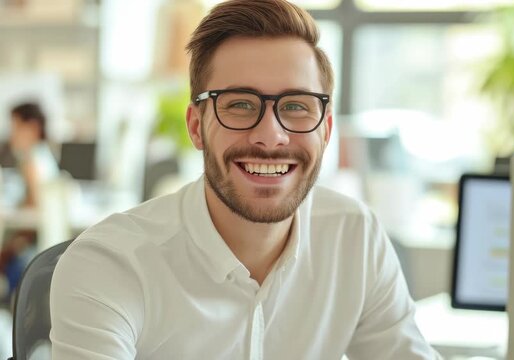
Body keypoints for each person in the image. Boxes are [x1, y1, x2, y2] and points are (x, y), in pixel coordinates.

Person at [50, 1, 442, 359]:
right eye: (239, 104)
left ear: (326, 129)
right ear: (196, 126)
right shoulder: (110, 264)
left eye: (296, 106)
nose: (271, 135)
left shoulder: (354, 237)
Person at [0, 102, 58, 302]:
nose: (11, 134)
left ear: (32, 127)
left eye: (15, 127)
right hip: (49, 246)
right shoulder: (44, 155)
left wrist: (7, 250)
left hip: (35, 250)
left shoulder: (31, 161)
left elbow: (32, 214)